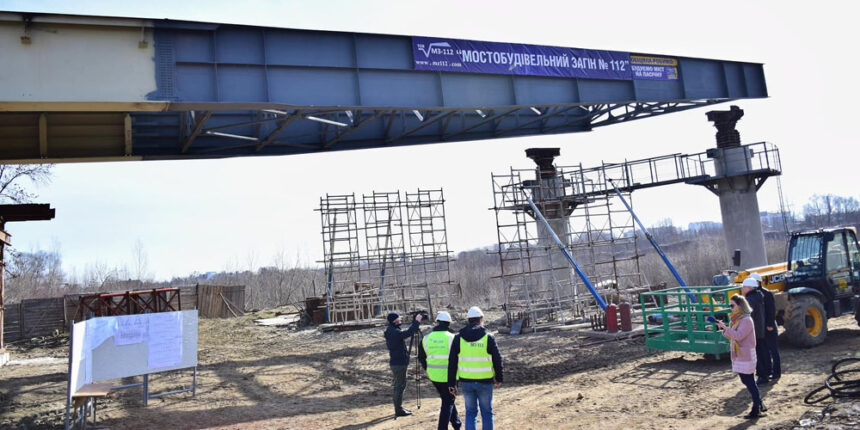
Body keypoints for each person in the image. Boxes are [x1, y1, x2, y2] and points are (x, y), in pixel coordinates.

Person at [447, 306, 503, 430]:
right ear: (480, 319)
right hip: (485, 381)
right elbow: (497, 359)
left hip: (466, 382)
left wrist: (452, 383)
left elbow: (452, 362)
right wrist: (499, 378)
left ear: (469, 320)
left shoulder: (458, 338)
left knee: (471, 412)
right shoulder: (488, 337)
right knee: (487, 413)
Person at [716, 293, 766, 419]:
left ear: (740, 306)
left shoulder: (746, 320)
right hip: (740, 355)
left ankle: (756, 408)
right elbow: (733, 336)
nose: (730, 307)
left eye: (732, 305)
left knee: (749, 381)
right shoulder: (737, 319)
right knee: (746, 380)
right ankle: (759, 403)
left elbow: (738, 336)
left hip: (746, 354)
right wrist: (725, 329)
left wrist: (725, 328)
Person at [419, 311, 462, 430]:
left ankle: (457, 424)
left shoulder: (426, 338)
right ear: (448, 324)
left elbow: (421, 357)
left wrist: (428, 369)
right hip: (450, 377)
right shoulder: (453, 338)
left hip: (434, 376)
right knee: (448, 402)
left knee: (447, 399)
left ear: (437, 322)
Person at [384, 311, 422, 417]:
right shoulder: (394, 331)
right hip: (398, 363)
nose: (400, 320)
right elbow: (408, 333)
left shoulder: (392, 330)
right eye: (398, 319)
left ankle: (399, 408)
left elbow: (406, 333)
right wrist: (416, 322)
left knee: (400, 385)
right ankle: (399, 410)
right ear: (394, 321)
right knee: (399, 386)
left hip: (397, 362)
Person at [749, 273, 781, 381]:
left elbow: (771, 310)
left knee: (773, 350)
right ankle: (768, 371)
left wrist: (770, 324)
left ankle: (776, 373)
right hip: (761, 328)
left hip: (769, 326)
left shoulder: (766, 294)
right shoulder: (754, 295)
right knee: (765, 351)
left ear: (758, 282)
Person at [740, 277, 770, 384]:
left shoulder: (750, 300)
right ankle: (766, 373)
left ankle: (762, 375)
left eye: (743, 287)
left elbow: (746, 315)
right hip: (760, 329)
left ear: (749, 288)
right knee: (762, 352)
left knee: (756, 354)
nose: (742, 289)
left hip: (753, 331)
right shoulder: (759, 296)